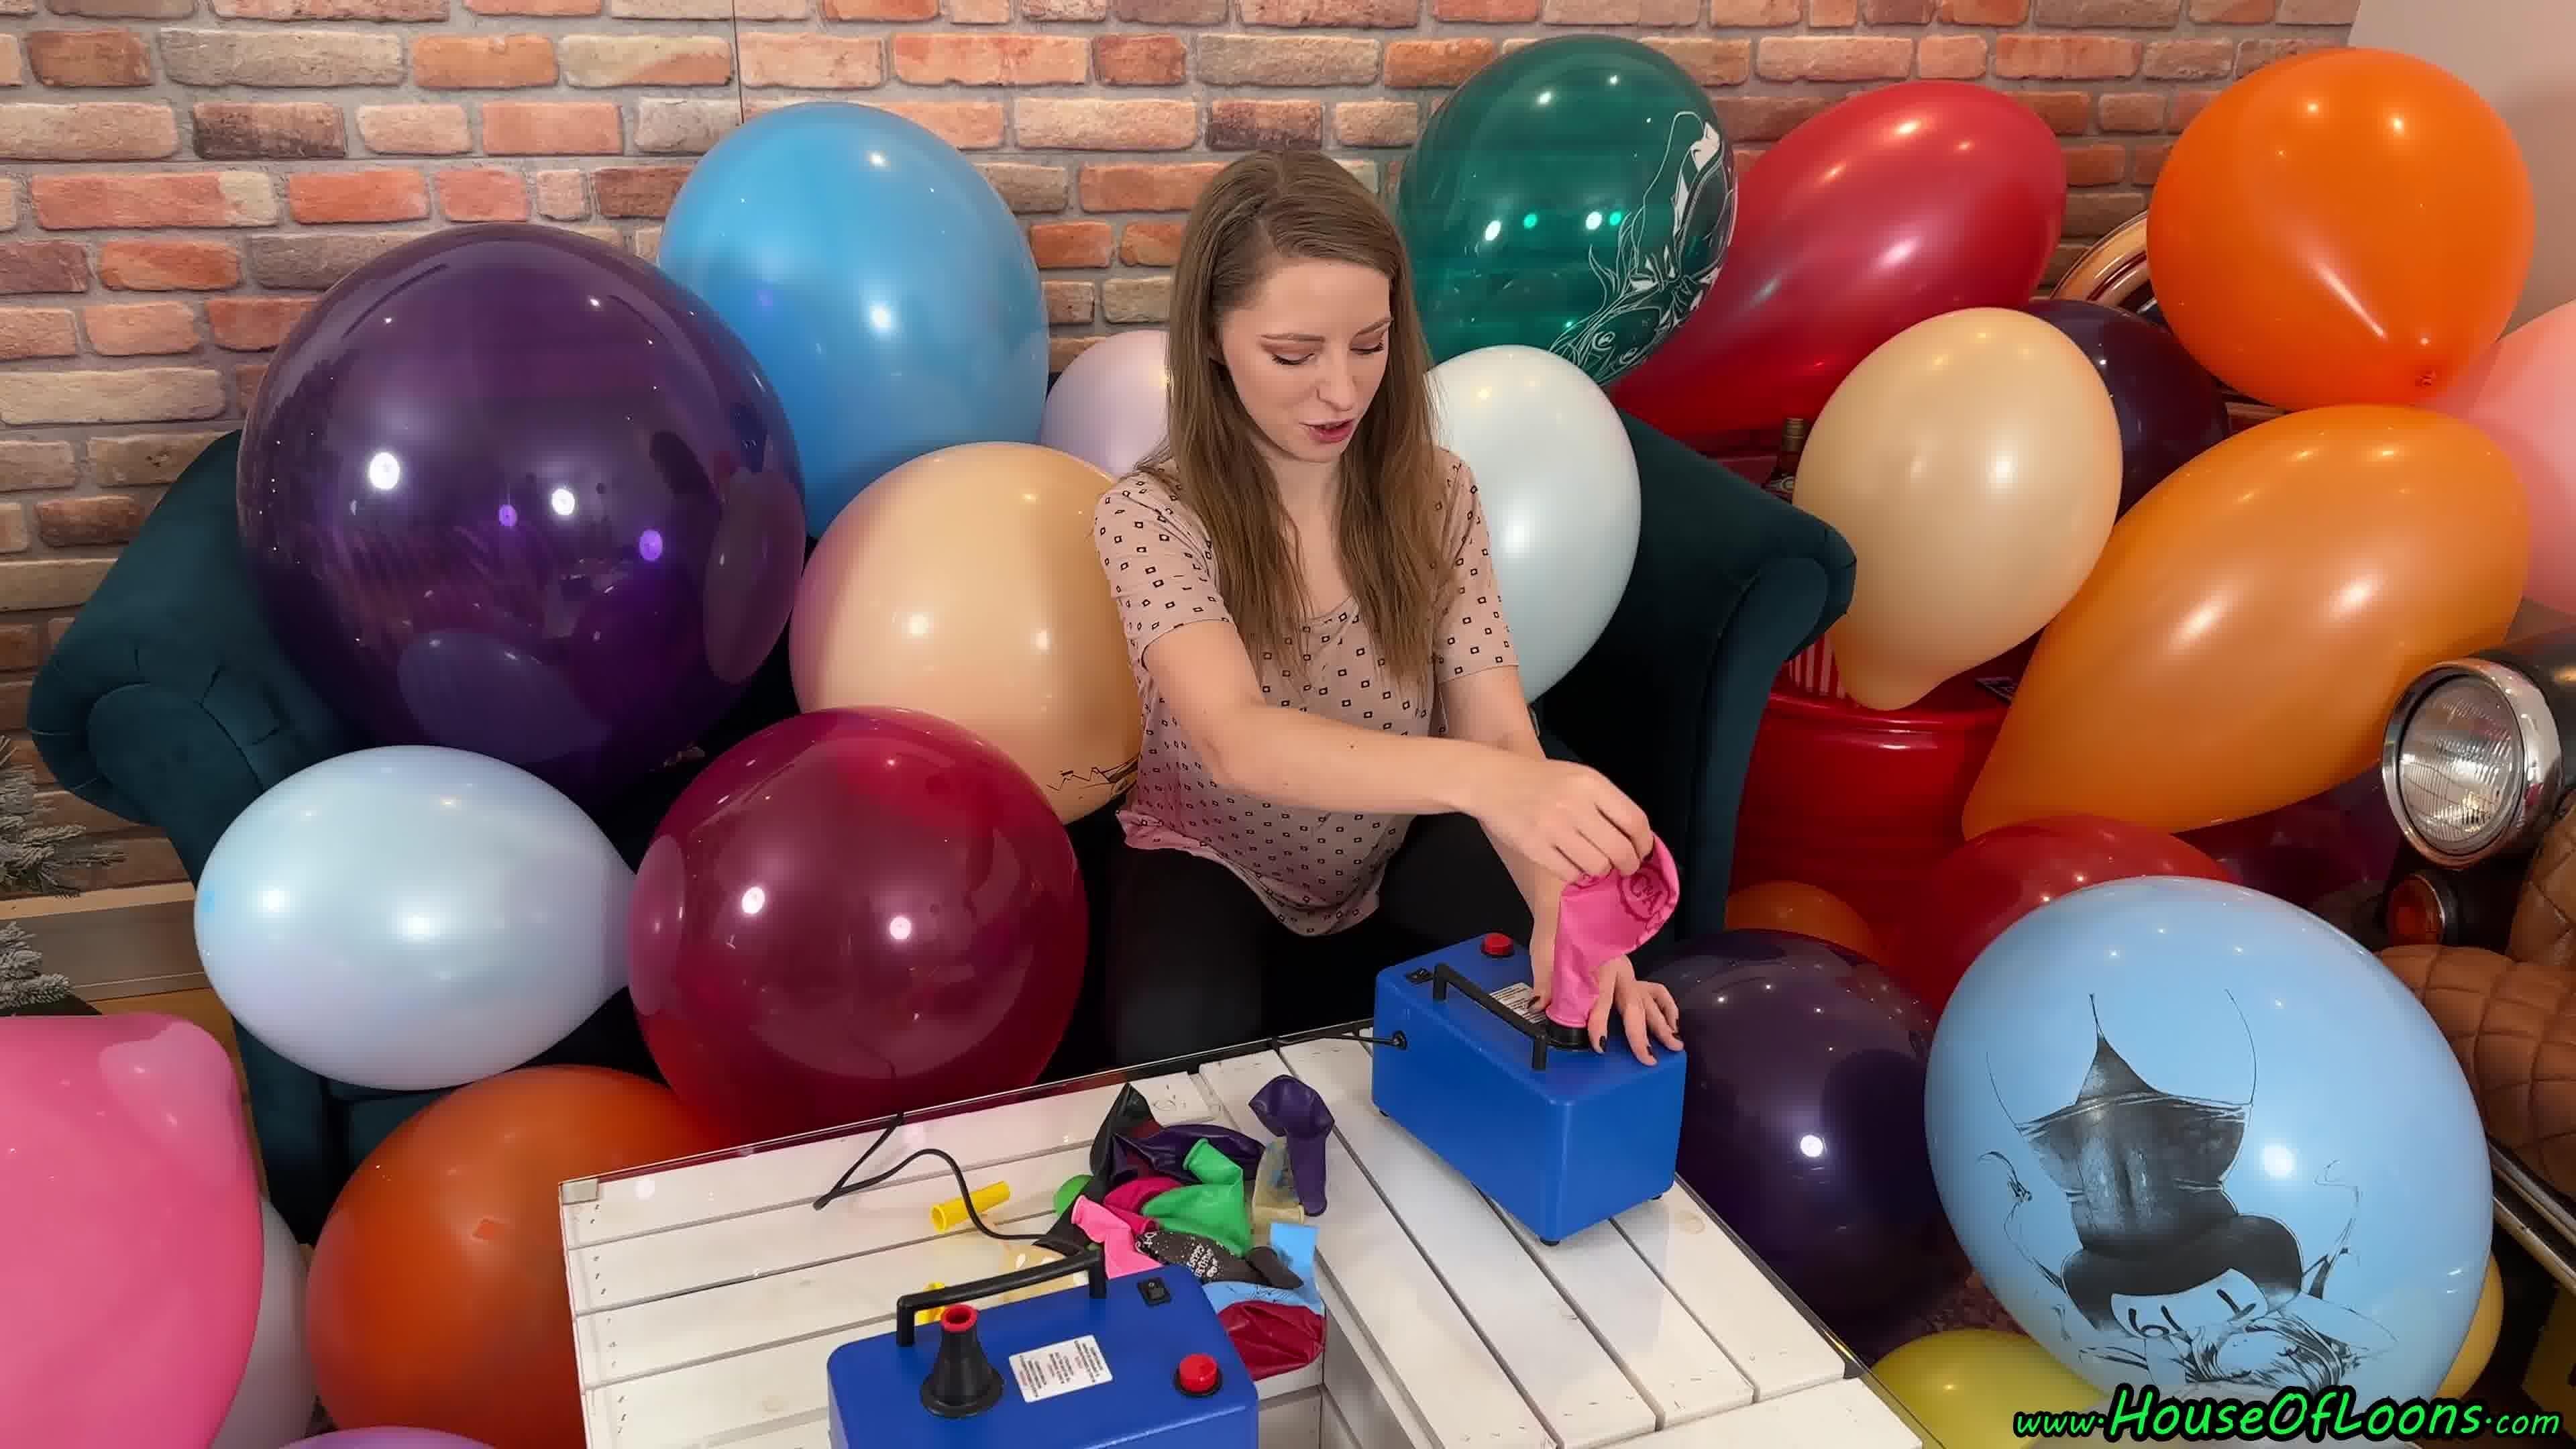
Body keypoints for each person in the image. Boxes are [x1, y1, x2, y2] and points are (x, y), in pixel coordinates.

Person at [1092, 151, 1684, 1069]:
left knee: (1594, 998)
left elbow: (1497, 728)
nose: (1342, 392)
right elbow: (1236, 741)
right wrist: (1494, 785)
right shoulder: (1149, 515)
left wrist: (1568, 917)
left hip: (1389, 857)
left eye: (1369, 345)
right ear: (1211, 337)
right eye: (1293, 355)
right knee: (1172, 1072)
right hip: (1212, 864)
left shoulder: (1438, 491)